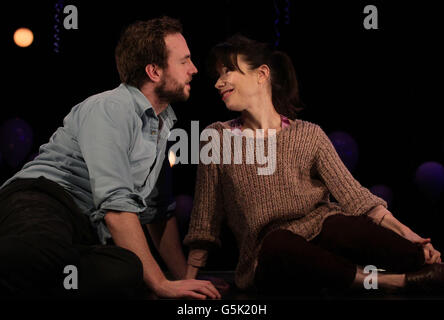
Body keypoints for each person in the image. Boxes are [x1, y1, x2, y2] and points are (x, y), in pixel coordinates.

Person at [184, 34, 443, 296]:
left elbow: (354, 195)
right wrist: (188, 279)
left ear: (261, 74)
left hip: (322, 230)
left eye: (227, 71)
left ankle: (426, 268)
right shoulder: (216, 137)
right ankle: (390, 282)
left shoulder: (308, 134)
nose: (218, 83)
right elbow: (204, 221)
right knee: (279, 244)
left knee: (343, 226)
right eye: (217, 75)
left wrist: (408, 234)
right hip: (268, 253)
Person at [0, 16, 220, 300]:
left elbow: (158, 212)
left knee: (126, 271)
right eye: (184, 61)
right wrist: (161, 285)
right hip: (44, 200)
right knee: (39, 253)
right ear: (154, 71)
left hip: (85, 229)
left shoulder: (161, 124)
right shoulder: (111, 107)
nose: (194, 69)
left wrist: (185, 280)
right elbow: (115, 205)